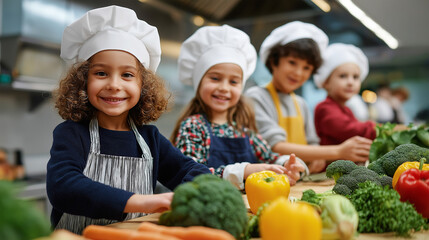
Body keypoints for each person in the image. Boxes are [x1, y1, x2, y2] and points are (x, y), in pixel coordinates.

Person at [46, 6, 211, 234]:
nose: (114, 84)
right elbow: (63, 187)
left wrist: (208, 187)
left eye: (127, 75)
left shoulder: (149, 138)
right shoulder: (72, 134)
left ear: (143, 86)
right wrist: (140, 202)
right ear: (82, 81)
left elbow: (186, 170)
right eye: (101, 73)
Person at [170, 25, 306, 190]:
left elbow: (269, 157)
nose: (224, 88)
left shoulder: (243, 129)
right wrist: (244, 171)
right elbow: (190, 175)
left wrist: (287, 164)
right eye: (215, 78)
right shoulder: (193, 126)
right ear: (199, 82)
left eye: (233, 82)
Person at [245, 21, 373, 173]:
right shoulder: (256, 97)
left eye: (306, 67)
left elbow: (312, 144)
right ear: (274, 61)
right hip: (267, 178)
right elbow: (276, 146)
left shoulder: (300, 104)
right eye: (292, 63)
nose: (299, 73)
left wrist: (316, 159)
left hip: (297, 178)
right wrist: (338, 151)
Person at [313, 43, 376, 145]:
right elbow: (352, 130)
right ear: (326, 82)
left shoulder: (346, 110)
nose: (350, 82)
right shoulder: (324, 108)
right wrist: (384, 129)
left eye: (355, 77)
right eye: (343, 76)